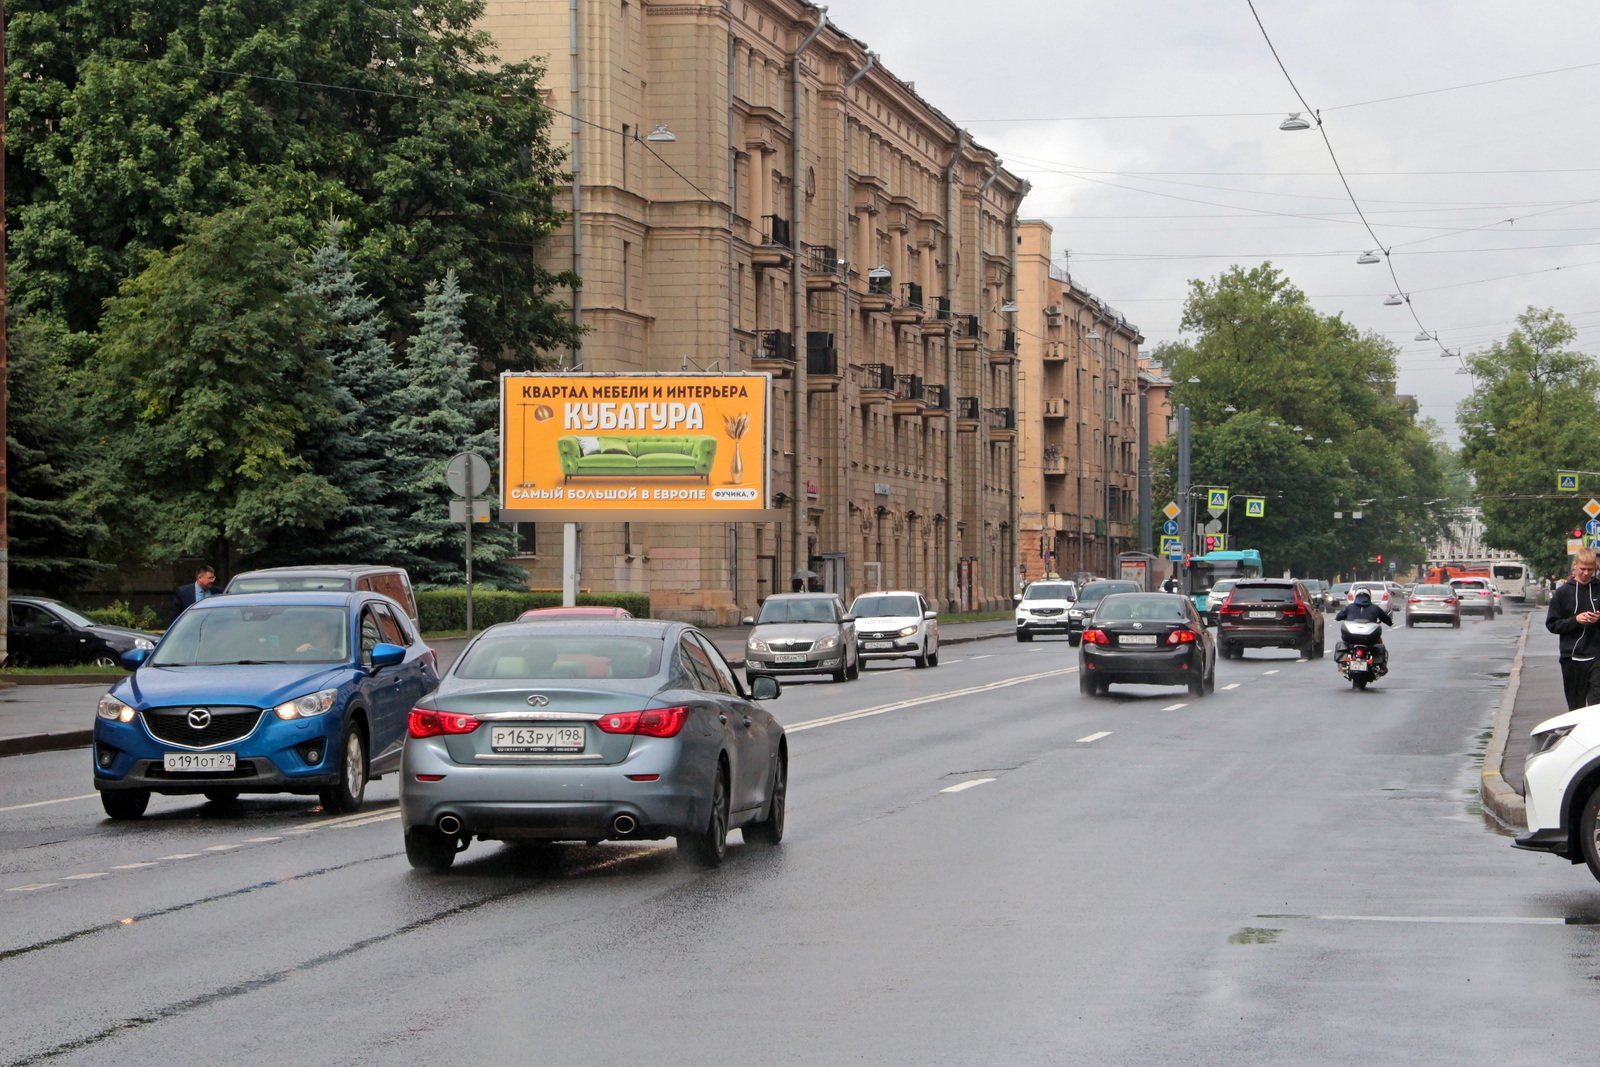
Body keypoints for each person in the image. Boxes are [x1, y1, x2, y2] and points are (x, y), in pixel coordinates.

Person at [1547, 549, 1600, 710]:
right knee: (1576, 708)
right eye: (1582, 568)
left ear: (1595, 568)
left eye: (1590, 569)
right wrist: (1575, 620)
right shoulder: (1563, 592)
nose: (1585, 573)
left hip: (1597, 655)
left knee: (1596, 706)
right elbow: (1552, 624)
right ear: (1575, 565)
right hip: (1571, 657)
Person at [1335, 588, 1394, 670]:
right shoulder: (1375, 608)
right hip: (1369, 638)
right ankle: (1382, 666)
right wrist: (1390, 623)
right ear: (1369, 597)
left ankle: (1343, 664)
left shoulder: (1349, 607)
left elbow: (1338, 617)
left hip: (1351, 637)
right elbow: (1386, 619)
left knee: (1343, 642)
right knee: (1379, 642)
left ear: (1356, 596)